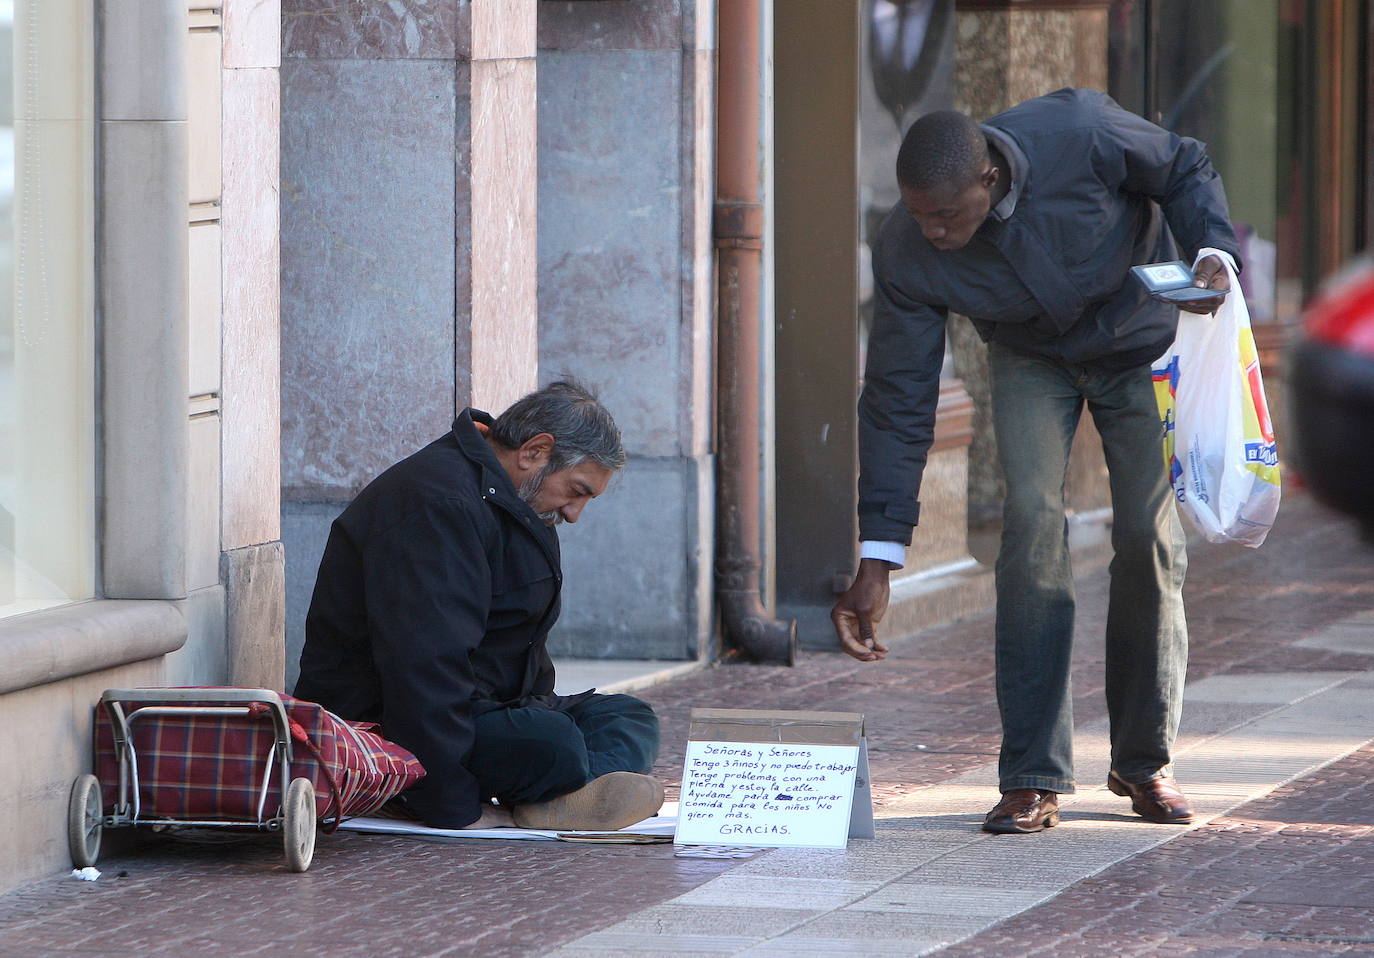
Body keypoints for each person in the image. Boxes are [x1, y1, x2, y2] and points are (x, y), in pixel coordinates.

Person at [831, 89, 1240, 834]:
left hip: (1137, 342)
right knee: (1030, 520)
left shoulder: (1079, 129)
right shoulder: (906, 248)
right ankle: (1031, 774)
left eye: (945, 214)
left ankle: (1144, 762)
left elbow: (1184, 165)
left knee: (1148, 537)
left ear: (988, 180)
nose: (932, 230)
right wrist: (878, 556)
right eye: (918, 214)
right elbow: (896, 400)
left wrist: (1211, 253)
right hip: (1031, 357)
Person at [295, 380, 663, 831]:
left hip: (486, 706)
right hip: (391, 726)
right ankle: (554, 793)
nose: (574, 513)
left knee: (628, 719)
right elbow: (422, 667)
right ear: (534, 452)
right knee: (552, 744)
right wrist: (451, 804)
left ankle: (558, 798)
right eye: (576, 490)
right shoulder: (437, 502)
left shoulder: (520, 498)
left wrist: (536, 709)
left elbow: (524, 641)